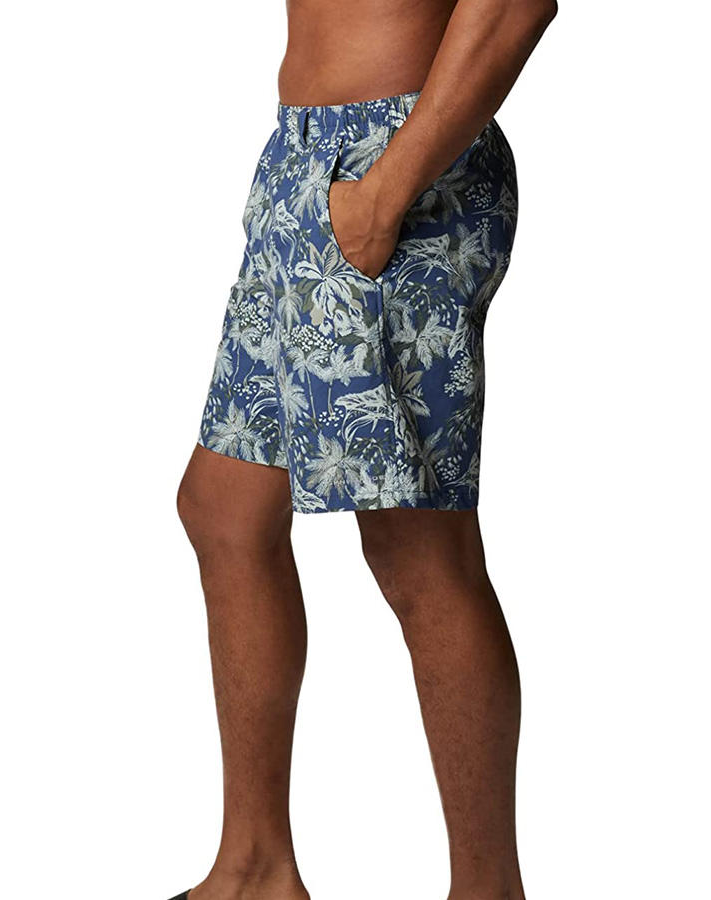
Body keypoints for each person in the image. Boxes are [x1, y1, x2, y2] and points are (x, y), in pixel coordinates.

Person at [171, 0, 556, 896]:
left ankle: (488, 893)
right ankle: (255, 872)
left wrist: (386, 192)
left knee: (419, 548)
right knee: (225, 509)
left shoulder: (388, 182)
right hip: (305, 164)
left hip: (395, 164)